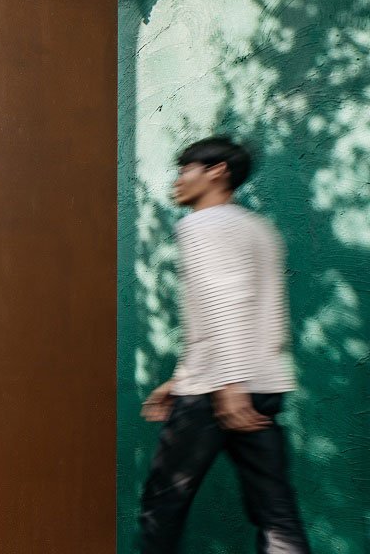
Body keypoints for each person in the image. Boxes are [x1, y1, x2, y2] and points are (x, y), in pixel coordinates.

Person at [138, 136, 310, 553]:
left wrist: (230, 382)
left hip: (218, 392)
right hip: (264, 386)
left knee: (162, 505)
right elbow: (248, 310)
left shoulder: (202, 224)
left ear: (216, 172)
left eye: (186, 170)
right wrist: (180, 378)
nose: (177, 181)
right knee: (276, 512)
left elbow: (226, 302)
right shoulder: (258, 228)